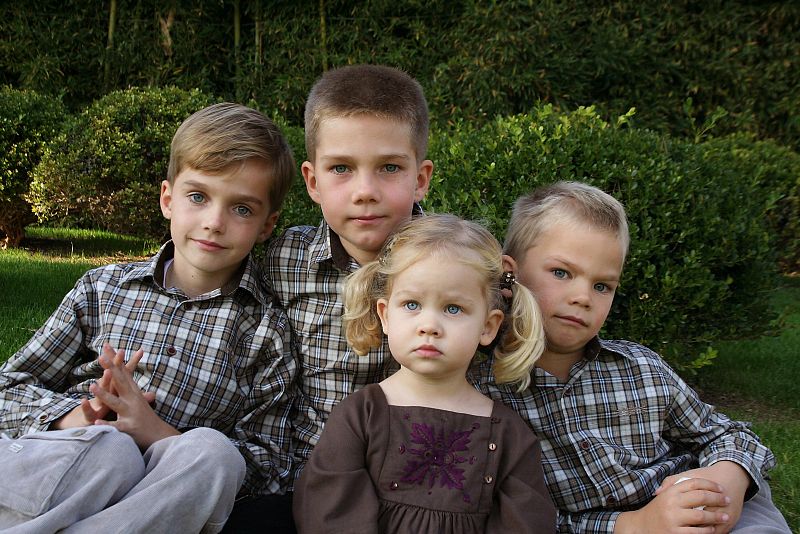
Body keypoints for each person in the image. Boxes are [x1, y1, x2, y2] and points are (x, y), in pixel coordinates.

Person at [0, 102, 297, 534]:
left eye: (242, 209)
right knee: (110, 450)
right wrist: (79, 416)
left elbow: (270, 461)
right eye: (198, 196)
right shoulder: (103, 289)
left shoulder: (266, 330)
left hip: (157, 492)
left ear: (266, 226)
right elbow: (8, 388)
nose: (214, 222)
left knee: (214, 454)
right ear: (167, 199)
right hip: (59, 463)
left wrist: (155, 432)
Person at [473, 181, 791, 533]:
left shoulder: (639, 368)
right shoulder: (484, 393)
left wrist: (727, 479)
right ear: (510, 272)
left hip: (702, 507)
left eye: (602, 286)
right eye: (562, 273)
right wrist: (635, 525)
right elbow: (517, 518)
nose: (583, 297)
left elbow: (727, 434)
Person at [223, 64, 435, 532]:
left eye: (389, 168)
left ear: (420, 178)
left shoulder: (457, 262)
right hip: (308, 480)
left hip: (422, 484)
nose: (365, 192)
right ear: (313, 180)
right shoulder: (281, 260)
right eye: (341, 168)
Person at [293, 214, 556, 533]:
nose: (429, 325)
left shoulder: (509, 435)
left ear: (488, 326)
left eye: (453, 309)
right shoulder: (360, 415)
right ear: (385, 315)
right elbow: (329, 510)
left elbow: (526, 523)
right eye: (412, 305)